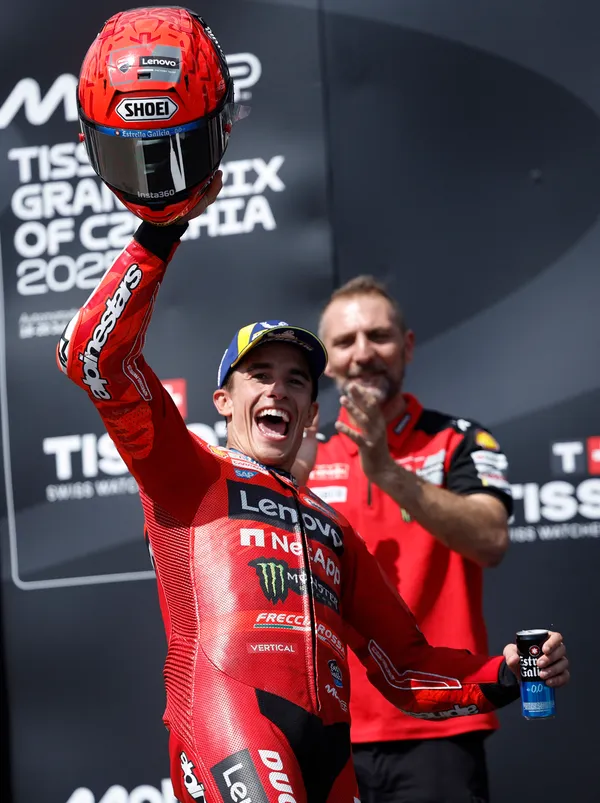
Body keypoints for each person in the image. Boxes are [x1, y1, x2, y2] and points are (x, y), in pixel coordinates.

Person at [62, 8, 570, 803]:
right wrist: (159, 233)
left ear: (310, 410)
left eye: (297, 380)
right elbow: (94, 358)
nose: (279, 389)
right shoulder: (185, 474)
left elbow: (409, 673)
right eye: (259, 375)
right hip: (230, 720)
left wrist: (504, 673)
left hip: (332, 751)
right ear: (223, 400)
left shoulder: (335, 532)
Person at [294, 276, 520, 802]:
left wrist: (388, 473)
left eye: (379, 336)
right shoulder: (301, 453)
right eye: (345, 342)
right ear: (327, 362)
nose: (363, 354)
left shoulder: (456, 439)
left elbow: (491, 540)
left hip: (441, 721)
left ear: (408, 346)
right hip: (326, 727)